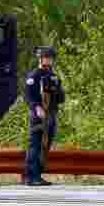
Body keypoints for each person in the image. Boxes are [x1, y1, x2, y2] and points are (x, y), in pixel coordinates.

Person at [24, 45, 65, 186]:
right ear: (40, 58)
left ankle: (38, 174)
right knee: (35, 144)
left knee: (45, 145)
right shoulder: (34, 75)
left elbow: (61, 98)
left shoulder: (53, 76)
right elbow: (28, 96)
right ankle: (30, 176)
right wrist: (36, 108)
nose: (48, 60)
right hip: (38, 114)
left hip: (51, 113)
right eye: (45, 57)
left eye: (50, 57)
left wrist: (57, 89)